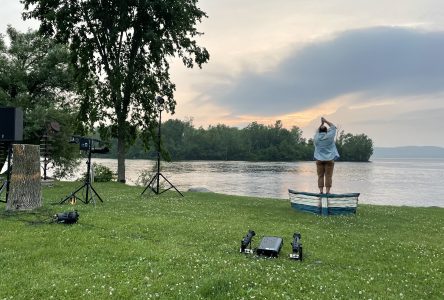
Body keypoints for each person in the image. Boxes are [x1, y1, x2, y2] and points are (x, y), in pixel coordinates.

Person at [313, 117, 339, 194]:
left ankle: (321, 191)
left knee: (320, 176)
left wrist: (321, 124)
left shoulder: (316, 137)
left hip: (319, 159)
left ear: (319, 131)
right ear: (327, 131)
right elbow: (333, 127)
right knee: (328, 176)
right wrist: (325, 121)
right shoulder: (330, 136)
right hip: (329, 159)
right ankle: (327, 192)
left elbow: (317, 131)